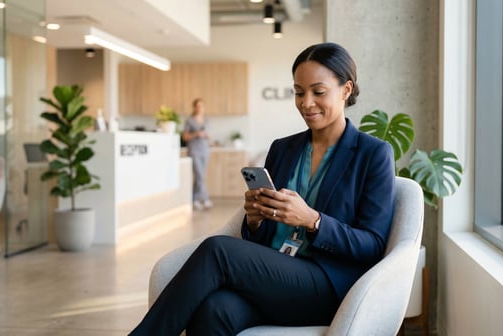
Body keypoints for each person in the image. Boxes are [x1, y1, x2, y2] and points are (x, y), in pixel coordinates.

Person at [129, 42, 396, 335]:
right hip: (276, 277)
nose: (306, 103)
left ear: (346, 90)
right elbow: (261, 238)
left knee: (217, 250)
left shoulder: (373, 154)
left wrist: (312, 220)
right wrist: (255, 220)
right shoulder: (283, 149)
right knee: (213, 311)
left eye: (318, 92)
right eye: (298, 92)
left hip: (326, 285)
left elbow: (372, 244)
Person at [182, 98, 213, 210]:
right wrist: (196, 134)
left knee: (200, 177)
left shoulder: (207, 120)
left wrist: (207, 135)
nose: (199, 108)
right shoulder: (189, 121)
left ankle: (194, 200)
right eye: (197, 106)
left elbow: (209, 135)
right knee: (200, 176)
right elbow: (185, 137)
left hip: (205, 151)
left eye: (201, 106)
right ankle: (205, 199)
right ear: (194, 107)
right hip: (194, 151)